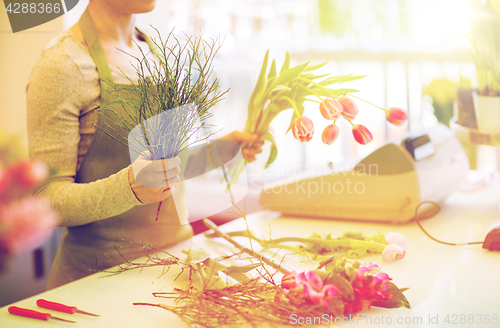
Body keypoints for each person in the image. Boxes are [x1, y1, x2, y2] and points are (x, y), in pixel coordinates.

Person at [26, 0, 263, 289]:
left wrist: (220, 152)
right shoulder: (62, 65)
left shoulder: (156, 53)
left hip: (174, 268)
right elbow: (45, 201)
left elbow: (163, 167)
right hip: (97, 286)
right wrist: (129, 188)